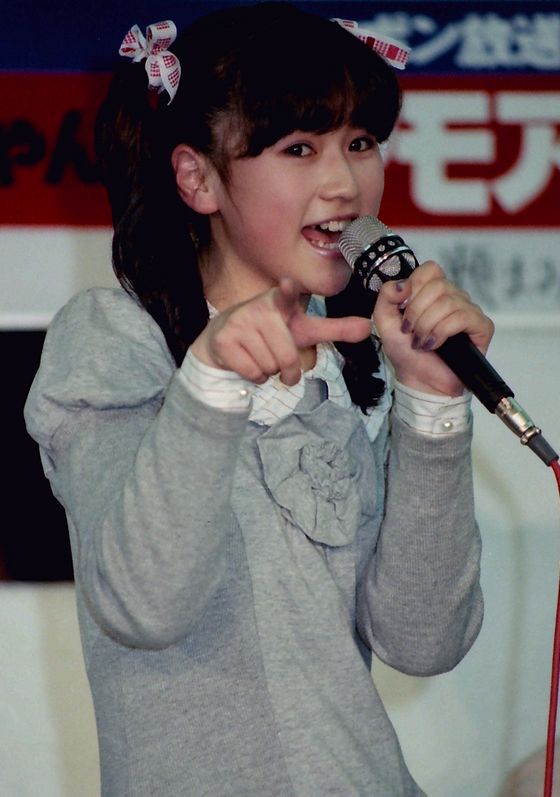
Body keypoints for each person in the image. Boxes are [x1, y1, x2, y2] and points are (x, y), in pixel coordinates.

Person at [24, 3, 493, 794]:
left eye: (360, 143)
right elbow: (143, 605)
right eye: (299, 148)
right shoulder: (116, 337)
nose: (345, 183)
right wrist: (210, 385)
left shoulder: (349, 363)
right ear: (197, 177)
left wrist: (432, 404)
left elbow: (423, 640)